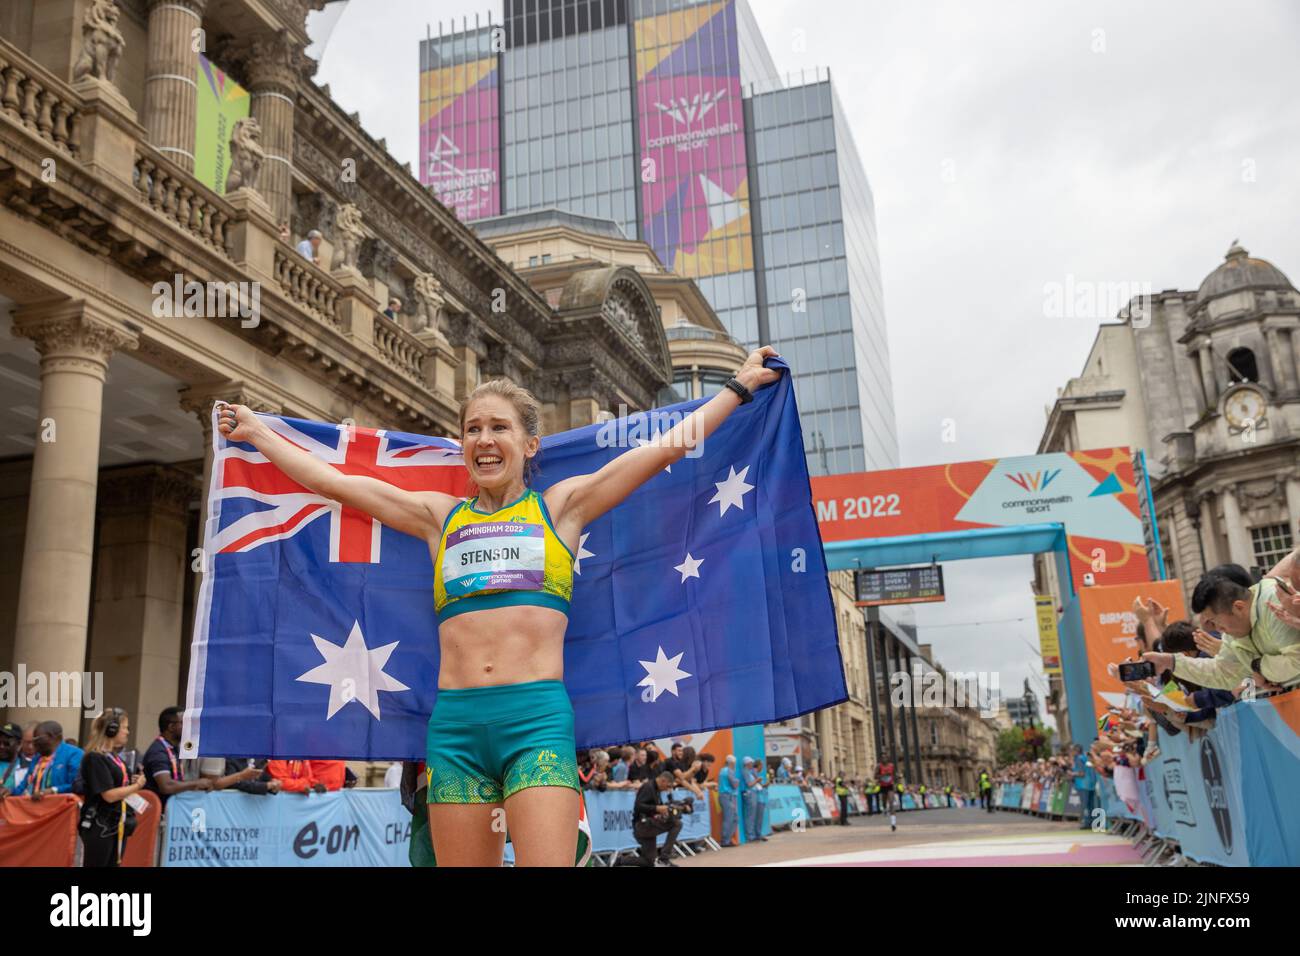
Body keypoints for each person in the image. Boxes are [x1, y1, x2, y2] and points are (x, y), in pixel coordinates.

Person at [218, 346, 782, 865]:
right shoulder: (440, 517)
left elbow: (662, 450)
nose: (483, 439)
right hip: (456, 729)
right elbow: (338, 485)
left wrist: (736, 388)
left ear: (529, 444)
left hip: (535, 724)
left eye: (499, 428)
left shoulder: (562, 509)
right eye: (472, 429)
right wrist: (260, 435)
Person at [1143, 568, 1300, 692]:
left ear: (1238, 607)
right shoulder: (1235, 630)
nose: (1217, 628)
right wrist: (1171, 662)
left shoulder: (1274, 603)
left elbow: (1296, 661)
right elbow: (1224, 673)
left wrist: (1257, 666)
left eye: (1214, 621)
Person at [78, 708, 147, 868]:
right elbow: (109, 795)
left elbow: (118, 786)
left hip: (117, 823)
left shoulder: (114, 757)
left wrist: (131, 782)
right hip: (100, 824)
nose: (127, 732)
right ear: (112, 730)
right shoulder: (95, 757)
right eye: (124, 727)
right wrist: (136, 786)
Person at [140, 707, 215, 806]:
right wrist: (196, 783)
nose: (189, 727)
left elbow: (177, 781)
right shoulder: (158, 751)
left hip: (172, 809)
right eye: (185, 723)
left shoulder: (173, 748)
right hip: (157, 813)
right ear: (171, 727)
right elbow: (166, 786)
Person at [14, 721, 82, 798]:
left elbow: (77, 786)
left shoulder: (73, 754)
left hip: (61, 807)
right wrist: (10, 791)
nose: (34, 744)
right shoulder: (37, 757)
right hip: (34, 807)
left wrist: (53, 790)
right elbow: (23, 785)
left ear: (52, 737)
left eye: (37, 739)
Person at [632, 771, 682, 867]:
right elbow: (638, 806)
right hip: (642, 825)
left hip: (647, 825)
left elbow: (656, 806)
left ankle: (619, 860)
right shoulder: (648, 787)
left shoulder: (656, 789)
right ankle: (664, 858)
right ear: (663, 781)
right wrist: (656, 808)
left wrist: (665, 807)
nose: (667, 789)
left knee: (649, 861)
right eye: (667, 786)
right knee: (677, 824)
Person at [1069, 744, 1097, 830]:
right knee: (1090, 805)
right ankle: (1092, 822)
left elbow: (1081, 773)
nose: (1071, 752)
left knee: (1085, 805)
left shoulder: (1079, 759)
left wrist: (1072, 774)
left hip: (1083, 784)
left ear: (1076, 751)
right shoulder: (1086, 757)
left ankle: (1087, 822)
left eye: (1072, 750)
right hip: (1091, 784)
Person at [718, 754, 741, 847]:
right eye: (734, 763)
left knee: (734, 818)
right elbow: (734, 784)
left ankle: (727, 839)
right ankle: (725, 841)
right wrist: (737, 781)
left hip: (726, 796)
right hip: (727, 796)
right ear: (731, 763)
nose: (734, 765)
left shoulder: (723, 770)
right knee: (729, 819)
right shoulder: (729, 771)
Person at [0, 722, 24, 798]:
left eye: (7, 743)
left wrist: (11, 791)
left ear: (19, 744)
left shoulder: (25, 768)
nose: (1, 746)